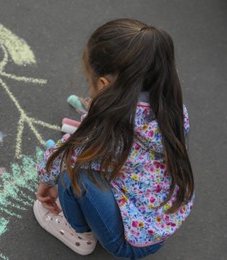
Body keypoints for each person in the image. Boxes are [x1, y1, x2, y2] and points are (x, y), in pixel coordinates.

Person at [33, 18, 194, 259]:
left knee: (73, 173)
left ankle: (80, 234)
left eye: (91, 83)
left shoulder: (111, 129)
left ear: (104, 84)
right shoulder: (173, 108)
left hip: (129, 243)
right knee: (99, 162)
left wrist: (45, 182)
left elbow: (67, 154)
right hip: (161, 222)